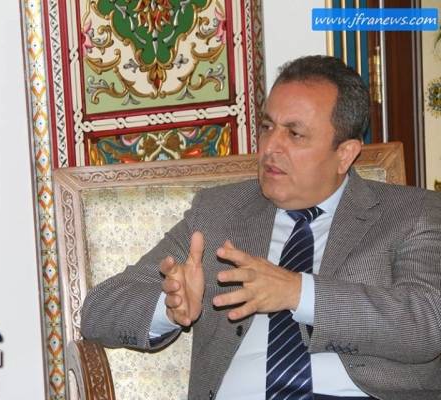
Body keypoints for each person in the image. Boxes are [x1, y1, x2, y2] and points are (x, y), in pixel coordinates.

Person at [80, 55, 441, 400]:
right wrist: (169, 308)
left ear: (345, 154)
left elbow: (427, 323)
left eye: (295, 134)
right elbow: (99, 310)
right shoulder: (219, 213)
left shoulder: (411, 213)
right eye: (268, 128)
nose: (271, 148)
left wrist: (299, 292)